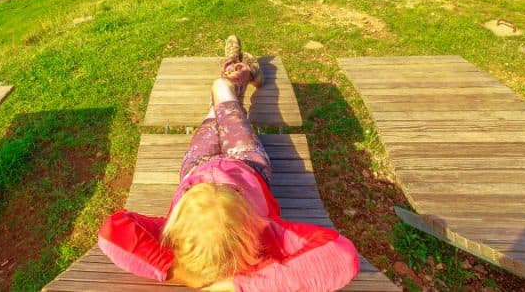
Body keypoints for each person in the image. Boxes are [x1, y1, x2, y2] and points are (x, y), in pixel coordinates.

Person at [98, 36, 360, 291]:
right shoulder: (266, 233)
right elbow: (342, 256)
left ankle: (235, 75)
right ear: (249, 220)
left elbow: (112, 230)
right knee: (224, 100)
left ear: (176, 225)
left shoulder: (172, 238)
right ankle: (236, 76)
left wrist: (175, 271)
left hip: (197, 165)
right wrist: (240, 285)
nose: (215, 185)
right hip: (245, 161)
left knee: (216, 112)